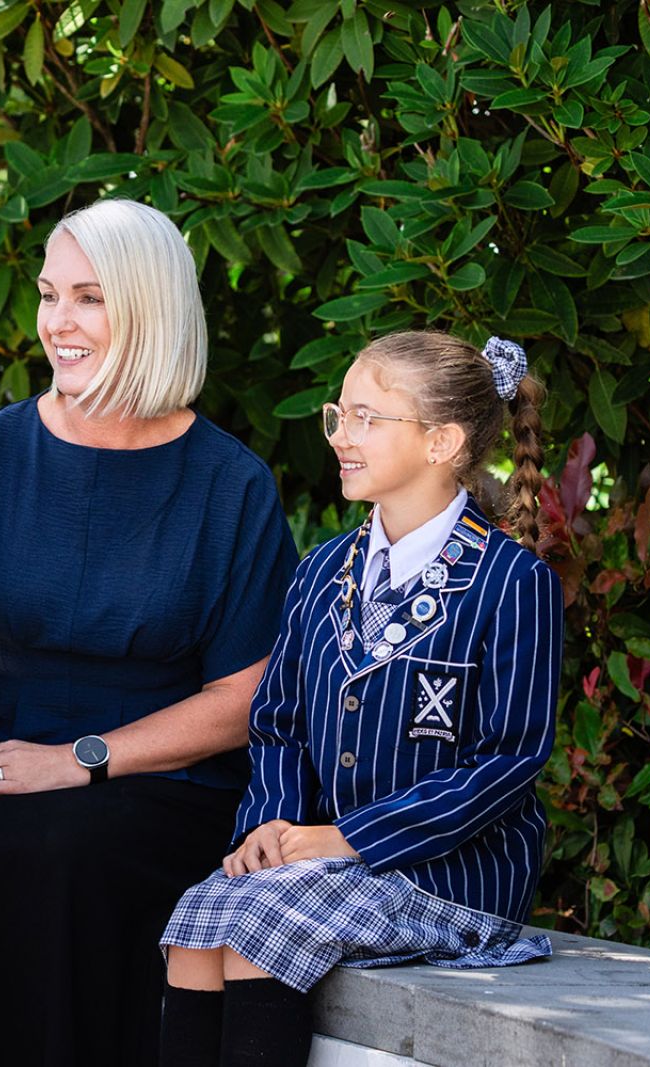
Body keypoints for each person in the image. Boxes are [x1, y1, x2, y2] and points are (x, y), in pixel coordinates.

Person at [0, 199, 299, 1066]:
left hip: (160, 773)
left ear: (149, 310)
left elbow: (246, 694)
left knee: (65, 848)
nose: (58, 323)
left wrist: (80, 757)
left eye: (89, 298)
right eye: (48, 293)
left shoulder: (230, 483)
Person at [156, 331, 562, 1067]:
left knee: (259, 924)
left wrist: (344, 840)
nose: (342, 436)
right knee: (199, 916)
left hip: (452, 872)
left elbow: (507, 760)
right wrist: (270, 829)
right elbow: (278, 725)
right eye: (338, 415)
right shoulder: (321, 571)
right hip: (322, 860)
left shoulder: (510, 582)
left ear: (442, 442)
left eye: (368, 418)